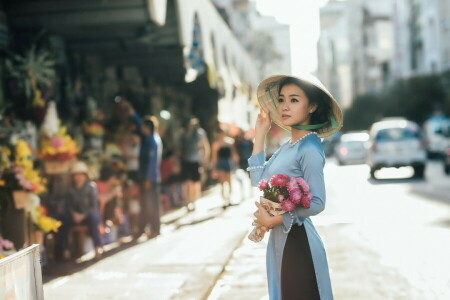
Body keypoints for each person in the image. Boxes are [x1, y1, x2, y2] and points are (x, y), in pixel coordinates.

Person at [249, 75, 343, 300]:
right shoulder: (288, 146)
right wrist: (260, 133)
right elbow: (258, 179)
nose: (284, 106)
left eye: (294, 100)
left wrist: (274, 220)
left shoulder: (310, 148)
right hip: (279, 240)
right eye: (281, 100)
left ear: (311, 106)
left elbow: (318, 202)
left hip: (298, 242)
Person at [128, 106, 163, 239]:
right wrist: (133, 114)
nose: (141, 128)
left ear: (147, 128)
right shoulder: (148, 138)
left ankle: (155, 228)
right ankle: (142, 228)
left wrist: (148, 178)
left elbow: (152, 162)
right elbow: (139, 123)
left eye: (143, 126)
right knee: (144, 203)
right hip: (144, 177)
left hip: (150, 178)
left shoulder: (152, 141)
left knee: (151, 204)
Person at [60, 161, 103, 260]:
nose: (78, 177)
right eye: (76, 175)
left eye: (81, 175)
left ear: (85, 175)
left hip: (88, 215)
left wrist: (83, 215)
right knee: (63, 220)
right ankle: (65, 250)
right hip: (73, 216)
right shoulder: (70, 188)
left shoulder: (91, 187)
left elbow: (94, 206)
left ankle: (97, 248)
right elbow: (67, 205)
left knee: (93, 219)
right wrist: (73, 214)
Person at [179, 117, 210, 211]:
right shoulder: (183, 133)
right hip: (185, 160)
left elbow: (205, 146)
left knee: (194, 182)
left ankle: (193, 201)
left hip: (196, 160)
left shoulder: (199, 133)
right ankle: (187, 201)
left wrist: (205, 159)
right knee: (186, 182)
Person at [211, 128, 239, 208]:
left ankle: (229, 199)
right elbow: (214, 157)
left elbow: (234, 154)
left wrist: (235, 165)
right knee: (222, 182)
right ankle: (224, 200)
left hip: (228, 162)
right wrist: (214, 169)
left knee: (229, 181)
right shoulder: (216, 144)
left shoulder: (230, 142)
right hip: (220, 163)